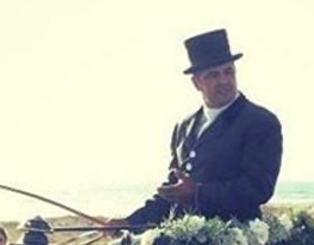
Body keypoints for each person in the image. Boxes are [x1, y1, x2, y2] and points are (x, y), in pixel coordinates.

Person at [114, 29, 283, 228]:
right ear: (196, 82)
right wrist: (129, 222)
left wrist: (197, 194)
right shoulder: (184, 127)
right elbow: (172, 192)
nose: (224, 81)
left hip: (235, 244)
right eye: (213, 75)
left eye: (228, 72)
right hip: (183, 241)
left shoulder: (260, 122)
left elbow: (258, 188)